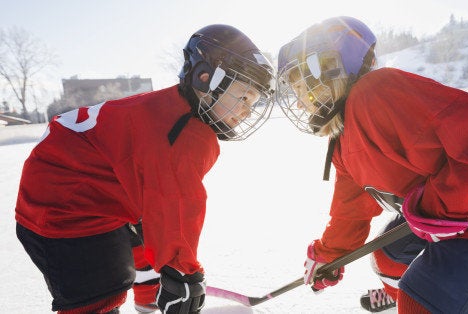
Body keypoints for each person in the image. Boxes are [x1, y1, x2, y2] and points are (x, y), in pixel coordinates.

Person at [275, 16, 468, 313]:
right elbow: (350, 209)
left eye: (301, 88)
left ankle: (409, 301)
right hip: (444, 207)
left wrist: (442, 205)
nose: (299, 103)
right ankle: (397, 297)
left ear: (326, 71)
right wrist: (328, 253)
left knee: (421, 300)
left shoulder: (378, 92)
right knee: (386, 258)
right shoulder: (341, 141)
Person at [15, 24, 274, 314]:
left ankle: (148, 299)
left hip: (88, 187)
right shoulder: (182, 134)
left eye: (253, 100)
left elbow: (156, 207)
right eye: (243, 97)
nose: (247, 109)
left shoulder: (172, 110)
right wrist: (184, 275)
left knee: (146, 236)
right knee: (100, 291)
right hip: (64, 208)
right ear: (205, 79)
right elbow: (174, 209)